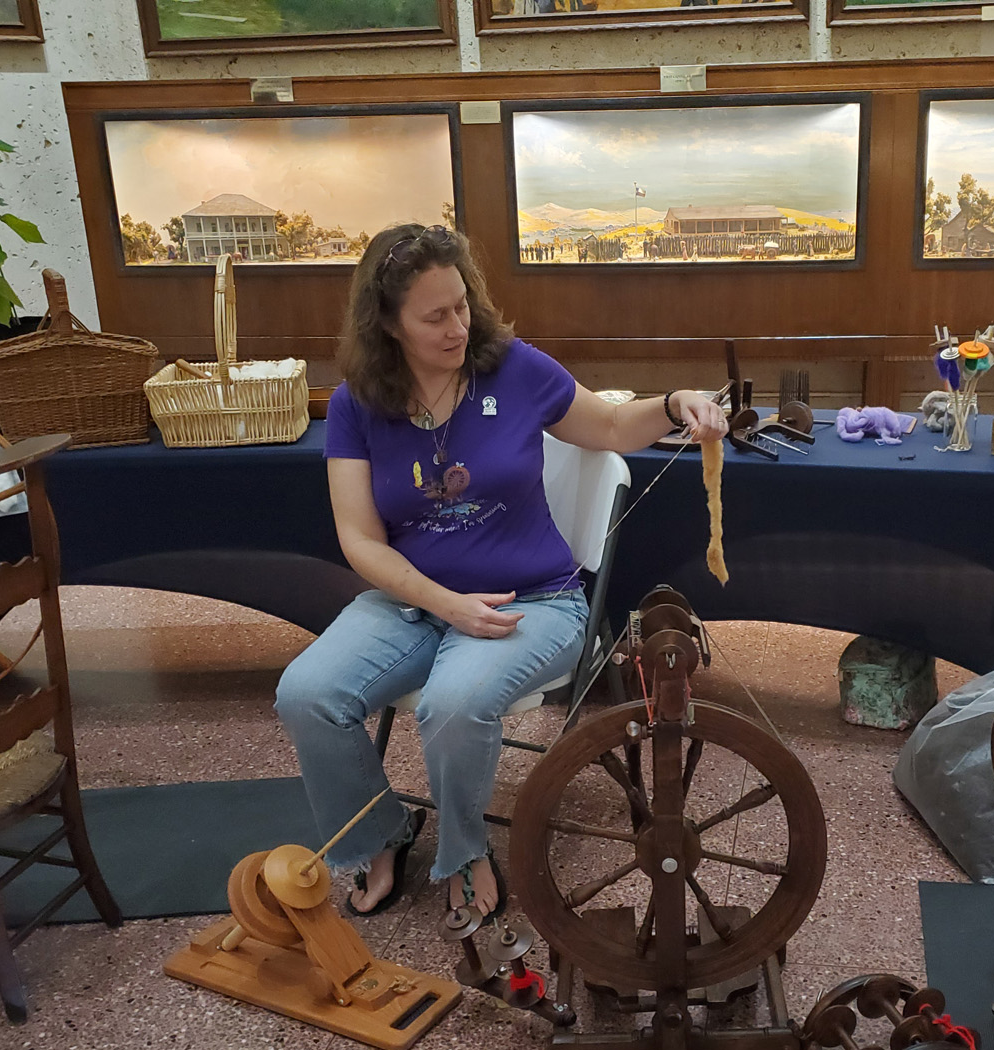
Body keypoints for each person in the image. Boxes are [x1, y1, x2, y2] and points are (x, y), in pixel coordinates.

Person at [274, 222, 728, 919]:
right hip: (411, 602)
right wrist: (446, 604)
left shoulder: (513, 367)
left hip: (537, 599)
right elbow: (359, 539)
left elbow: (607, 427)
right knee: (306, 692)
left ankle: (463, 851)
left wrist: (675, 404)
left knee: (453, 703)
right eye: (434, 316)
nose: (457, 326)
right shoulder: (354, 405)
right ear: (387, 324)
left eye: (461, 305)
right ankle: (381, 830)